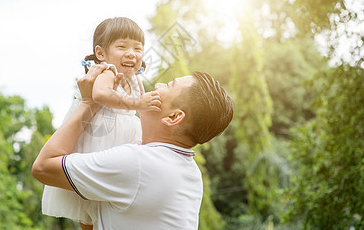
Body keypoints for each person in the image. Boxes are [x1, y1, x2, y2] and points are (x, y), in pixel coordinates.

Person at [32, 64, 234, 229]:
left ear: (173, 117)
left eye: (168, 86)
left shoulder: (138, 163)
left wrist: (88, 103)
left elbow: (43, 167)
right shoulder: (188, 172)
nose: (158, 84)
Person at [41, 17, 161, 229]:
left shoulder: (135, 78)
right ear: (101, 53)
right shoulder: (106, 71)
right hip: (100, 140)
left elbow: (141, 107)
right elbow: (99, 94)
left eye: (138, 48)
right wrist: (138, 102)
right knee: (88, 206)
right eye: (122, 46)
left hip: (124, 142)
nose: (132, 53)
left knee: (111, 205)